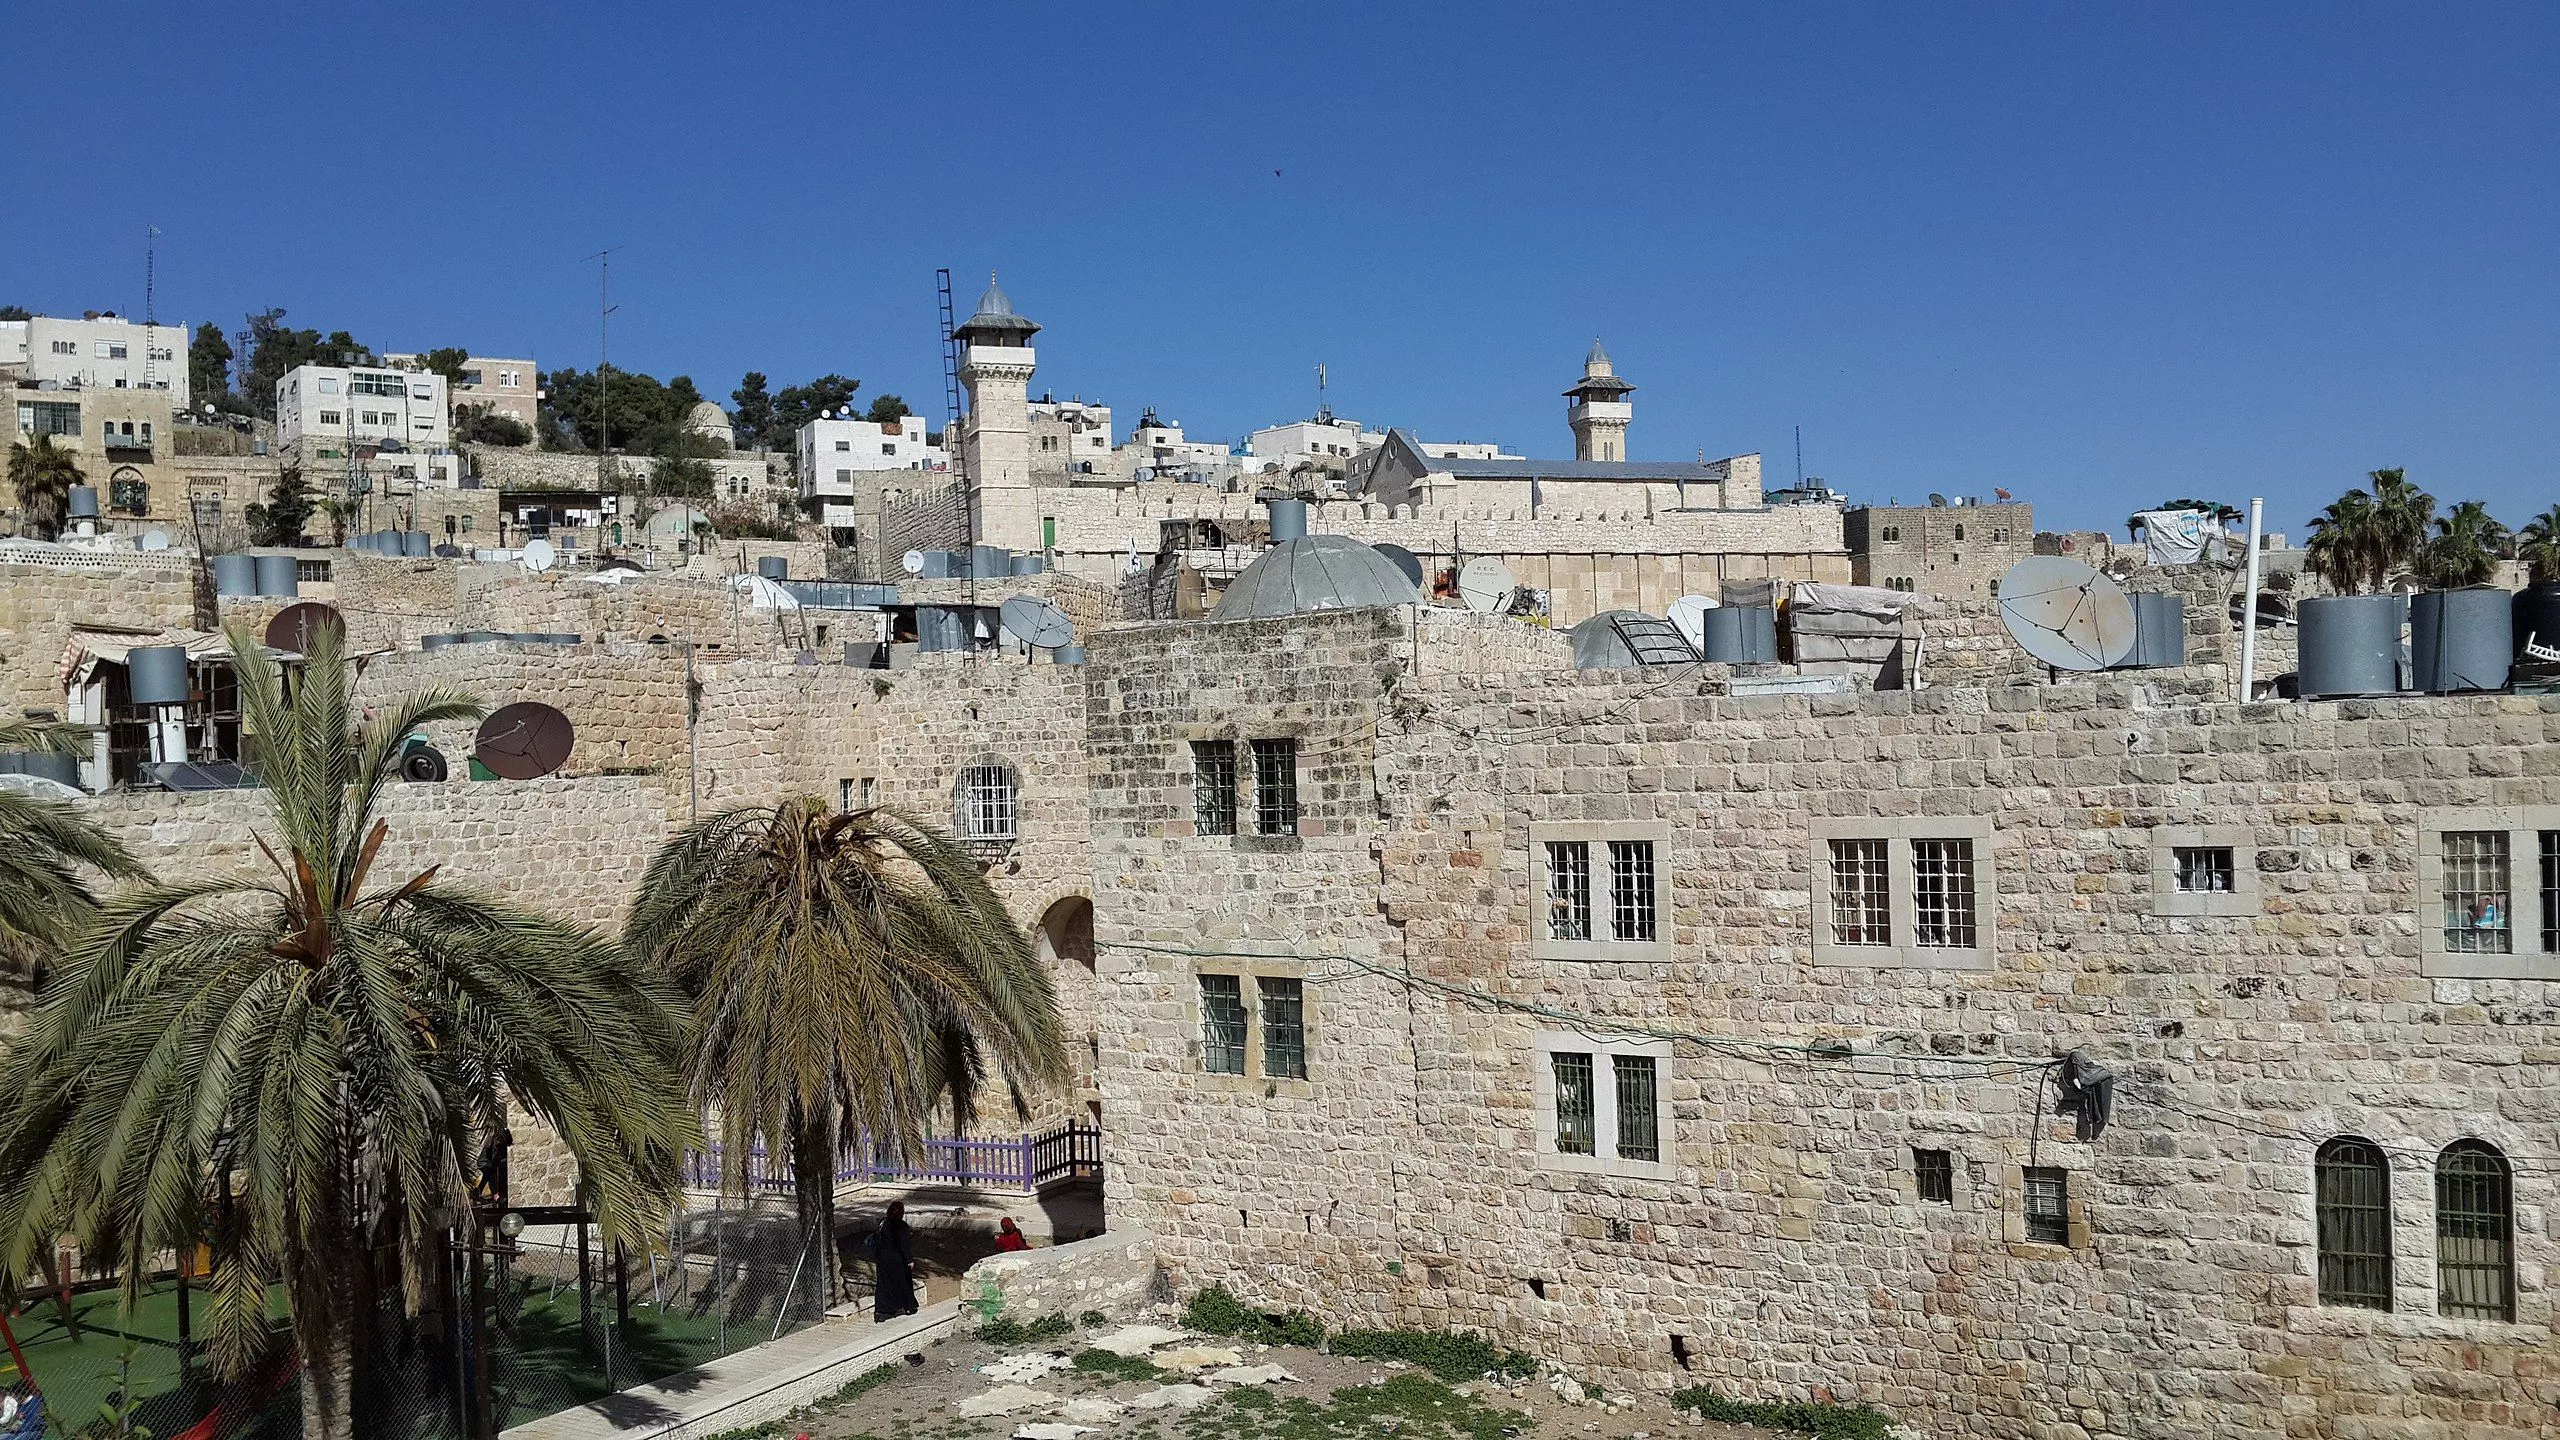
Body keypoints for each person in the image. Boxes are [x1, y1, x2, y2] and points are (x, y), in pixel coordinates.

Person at [867, 1199, 918, 1322]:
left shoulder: (883, 1223)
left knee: (884, 1285)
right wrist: (909, 1260)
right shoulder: (901, 1227)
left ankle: (882, 1310)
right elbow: (904, 1245)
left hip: (883, 1259)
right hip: (897, 1261)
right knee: (902, 1284)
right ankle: (907, 1306)